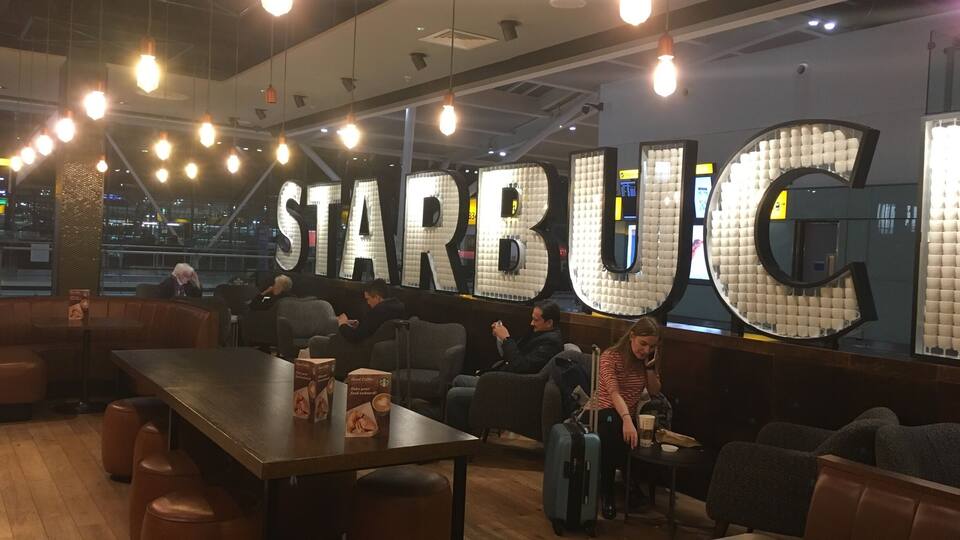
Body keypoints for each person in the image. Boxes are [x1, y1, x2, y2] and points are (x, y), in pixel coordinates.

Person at [444, 300, 564, 433]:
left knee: (454, 396)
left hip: (513, 390)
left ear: (549, 323)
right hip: (506, 380)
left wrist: (506, 339)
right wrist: (501, 338)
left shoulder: (550, 344)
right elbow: (516, 355)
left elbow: (521, 366)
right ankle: (466, 434)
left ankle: (459, 445)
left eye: (536, 320)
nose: (531, 323)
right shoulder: (539, 333)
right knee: (458, 380)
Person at [594, 317, 663, 520]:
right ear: (632, 336)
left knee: (624, 429)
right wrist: (626, 419)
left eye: (651, 346)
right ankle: (608, 492)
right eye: (643, 344)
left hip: (627, 415)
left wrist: (650, 367)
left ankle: (629, 485)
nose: (645, 350)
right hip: (602, 410)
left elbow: (655, 391)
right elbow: (614, 393)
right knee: (612, 425)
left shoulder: (646, 361)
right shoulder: (611, 356)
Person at [336, 279, 405, 343]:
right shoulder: (397, 309)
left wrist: (343, 325)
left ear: (377, 298)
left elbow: (355, 337)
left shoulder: (378, 311)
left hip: (363, 350)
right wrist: (360, 326)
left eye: (368, 299)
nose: (368, 303)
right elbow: (370, 329)